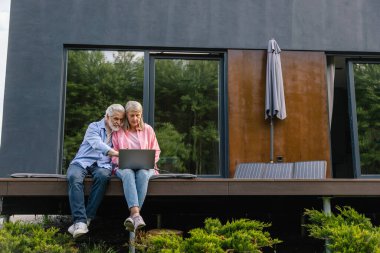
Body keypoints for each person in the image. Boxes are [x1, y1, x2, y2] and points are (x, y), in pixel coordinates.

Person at [67, 104, 125, 238]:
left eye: (121, 120)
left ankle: (85, 220)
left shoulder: (119, 133)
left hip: (102, 165)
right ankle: (80, 220)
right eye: (116, 118)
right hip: (83, 161)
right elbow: (97, 145)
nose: (118, 122)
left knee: (103, 177)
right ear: (107, 116)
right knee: (74, 177)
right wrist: (116, 153)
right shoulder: (93, 126)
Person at [112, 101, 160, 232]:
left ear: (141, 115)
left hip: (146, 168)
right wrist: (121, 161)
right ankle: (136, 215)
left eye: (138, 115)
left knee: (143, 174)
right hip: (124, 167)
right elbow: (113, 154)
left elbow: (156, 152)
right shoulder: (118, 132)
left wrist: (147, 162)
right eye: (132, 115)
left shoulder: (148, 130)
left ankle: (133, 215)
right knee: (127, 173)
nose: (135, 119)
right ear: (127, 115)